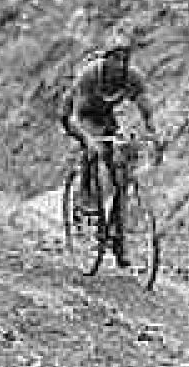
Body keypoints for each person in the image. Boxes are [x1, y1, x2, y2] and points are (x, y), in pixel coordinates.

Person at [60, 29, 160, 265]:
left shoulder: (132, 77)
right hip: (78, 115)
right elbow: (75, 116)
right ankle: (85, 201)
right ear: (105, 59)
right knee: (94, 149)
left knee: (123, 168)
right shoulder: (90, 75)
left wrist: (153, 133)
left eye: (124, 59)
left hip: (105, 117)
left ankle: (118, 236)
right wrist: (87, 140)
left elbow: (145, 107)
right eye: (114, 58)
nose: (119, 64)